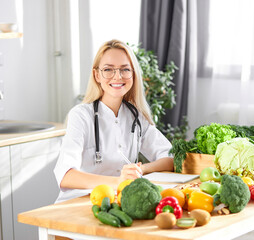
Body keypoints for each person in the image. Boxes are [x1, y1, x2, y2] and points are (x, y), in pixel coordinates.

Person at [54, 39, 174, 203]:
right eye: (108, 69)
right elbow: (65, 176)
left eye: (125, 69)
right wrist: (118, 182)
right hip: (79, 201)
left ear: (133, 74)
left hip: (118, 201)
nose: (118, 76)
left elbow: (169, 157)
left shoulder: (136, 116)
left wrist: (140, 169)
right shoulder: (80, 116)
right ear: (97, 75)